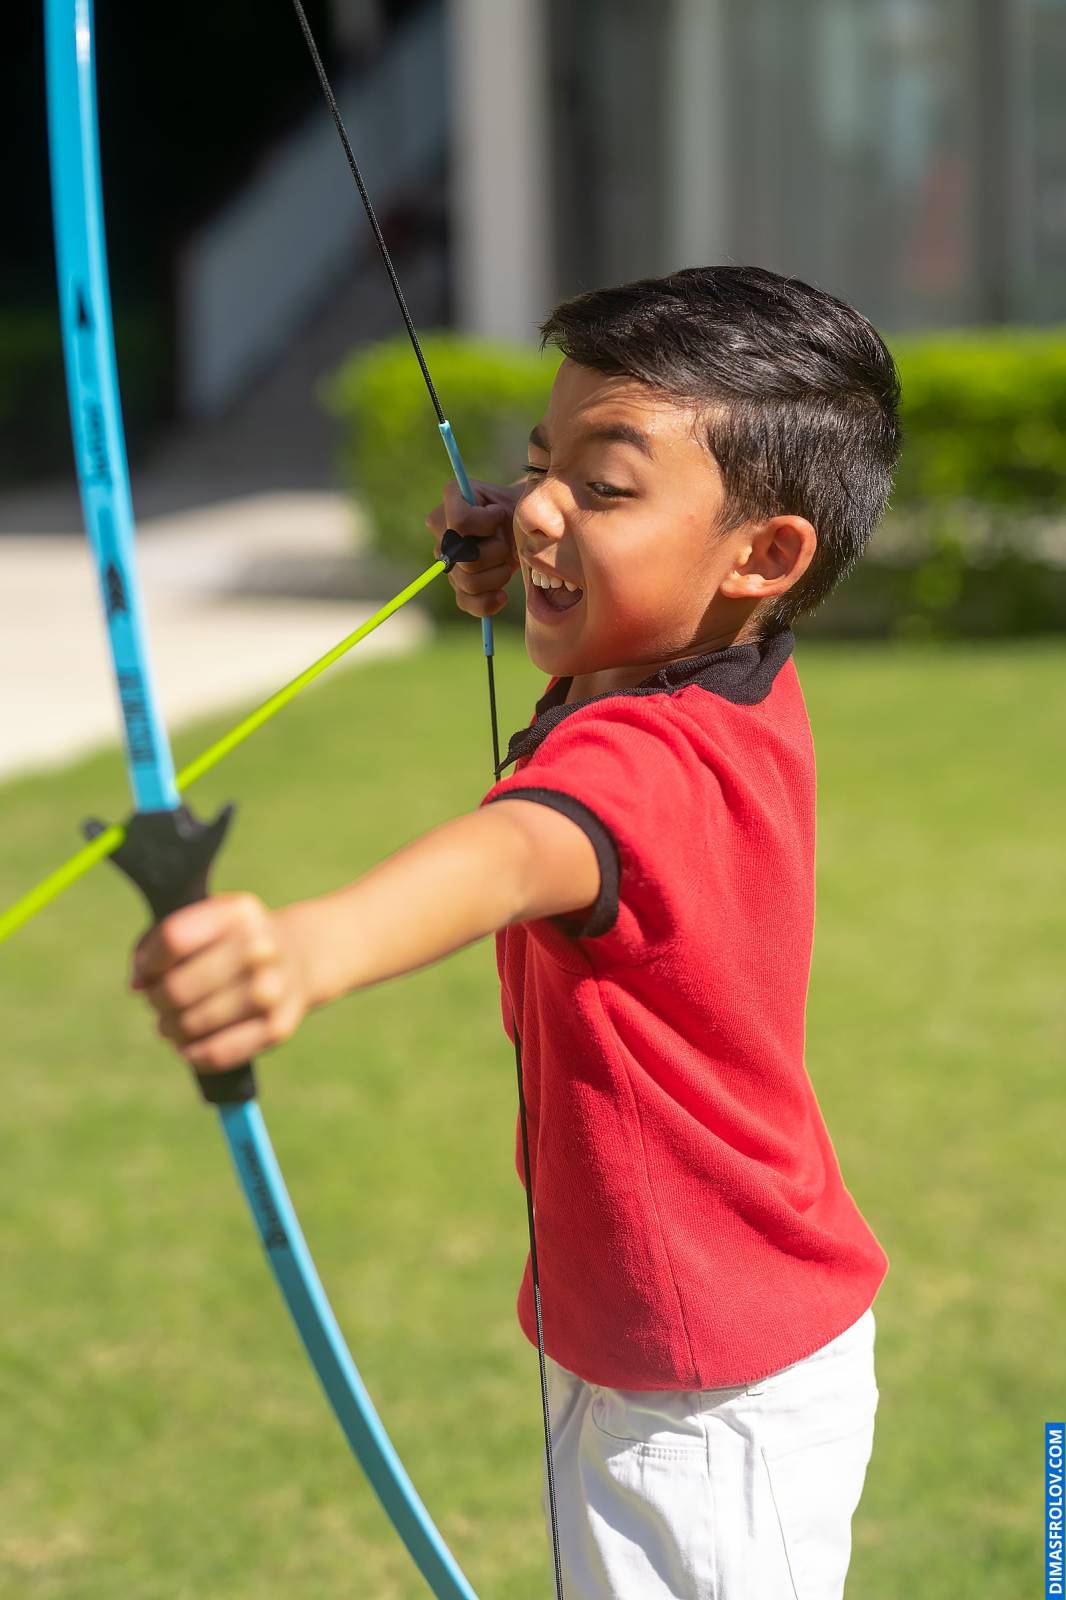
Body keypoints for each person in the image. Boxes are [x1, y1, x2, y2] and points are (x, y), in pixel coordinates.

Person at [131, 264, 901, 1599]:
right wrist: (541, 543)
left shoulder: (646, 765)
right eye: (541, 464)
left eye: (604, 487)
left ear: (764, 556)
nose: (540, 504)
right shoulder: (716, 669)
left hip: (705, 1400)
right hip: (674, 1341)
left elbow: (515, 852)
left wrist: (306, 952)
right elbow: (616, 626)